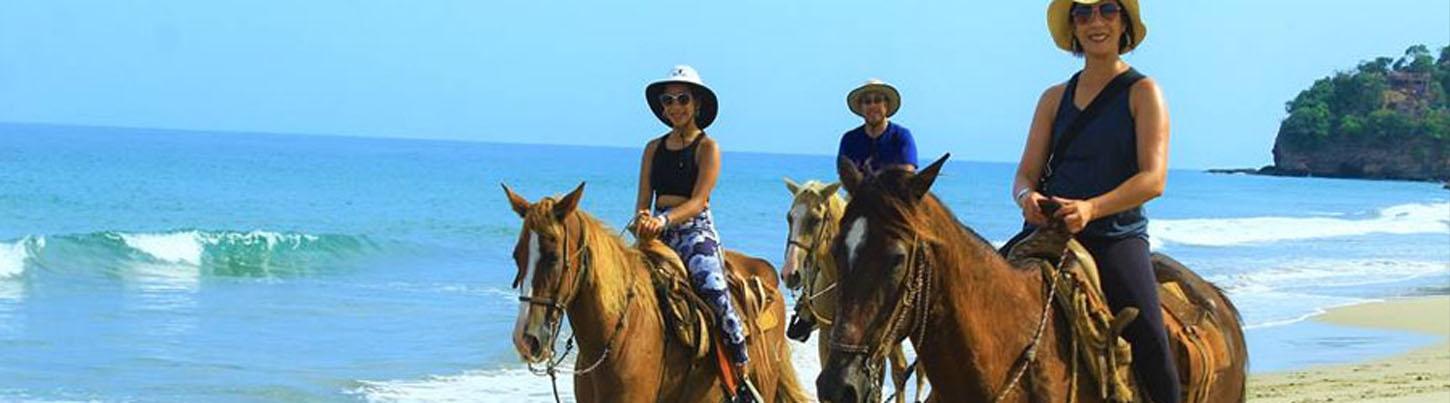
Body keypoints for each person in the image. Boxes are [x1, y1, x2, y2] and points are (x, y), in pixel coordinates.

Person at [1008, 1, 1180, 402]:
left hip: (1113, 235)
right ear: (1073, 28)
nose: (1095, 22)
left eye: (1106, 10)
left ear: (1124, 22)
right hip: (1045, 232)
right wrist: (1026, 197)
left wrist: (1091, 208)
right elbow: (1024, 174)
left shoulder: (1144, 92)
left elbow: (1153, 180)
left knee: (1151, 341)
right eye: (1082, 14)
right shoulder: (1053, 98)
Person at [632, 65, 750, 380]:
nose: (675, 107)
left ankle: (739, 358)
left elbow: (699, 200)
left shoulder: (708, 147)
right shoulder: (653, 148)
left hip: (694, 229)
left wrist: (664, 220)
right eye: (667, 100)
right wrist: (643, 217)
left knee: (712, 286)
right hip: (655, 229)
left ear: (697, 104)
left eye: (682, 99)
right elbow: (644, 198)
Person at [837, 79, 918, 174]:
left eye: (878, 100)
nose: (872, 106)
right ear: (861, 107)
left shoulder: (901, 136)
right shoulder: (849, 139)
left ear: (886, 105)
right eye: (867, 102)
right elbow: (844, 174)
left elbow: (908, 171)